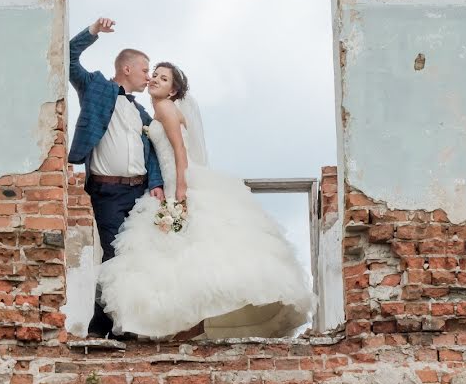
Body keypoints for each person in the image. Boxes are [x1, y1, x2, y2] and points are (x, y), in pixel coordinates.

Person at [97, 60, 314, 339]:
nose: (155, 81)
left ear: (173, 91)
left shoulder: (164, 109)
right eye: (155, 76)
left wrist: (180, 190)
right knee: (182, 255)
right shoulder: (161, 110)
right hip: (172, 182)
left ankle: (187, 329)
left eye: (163, 80)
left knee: (182, 253)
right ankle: (189, 328)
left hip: (180, 182)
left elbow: (179, 152)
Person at [67, 17, 165, 339]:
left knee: (136, 257)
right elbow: (67, 57)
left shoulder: (142, 114)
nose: (148, 76)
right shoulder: (95, 87)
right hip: (107, 192)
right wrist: (93, 31)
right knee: (114, 255)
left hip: (139, 194)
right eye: (145, 69)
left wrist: (156, 185)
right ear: (127, 69)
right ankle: (102, 326)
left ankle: (125, 324)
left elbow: (152, 154)